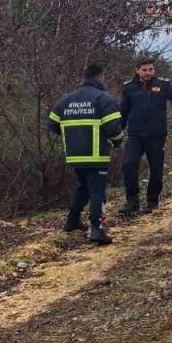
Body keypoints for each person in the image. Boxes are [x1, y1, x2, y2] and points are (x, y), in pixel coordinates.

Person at [47, 63, 124, 245]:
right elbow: (113, 128)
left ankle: (72, 221)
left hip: (74, 154)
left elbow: (52, 124)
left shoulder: (66, 100)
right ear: (100, 76)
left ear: (84, 77)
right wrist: (118, 141)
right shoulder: (103, 99)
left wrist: (72, 135)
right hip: (96, 154)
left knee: (82, 187)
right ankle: (96, 229)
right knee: (97, 190)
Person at [118, 56, 172, 217]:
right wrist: (117, 132)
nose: (148, 73)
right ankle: (132, 201)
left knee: (156, 170)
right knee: (129, 165)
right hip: (135, 135)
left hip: (156, 134)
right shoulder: (128, 87)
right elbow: (123, 112)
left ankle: (152, 201)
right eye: (144, 70)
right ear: (137, 70)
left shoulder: (163, 85)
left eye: (150, 69)